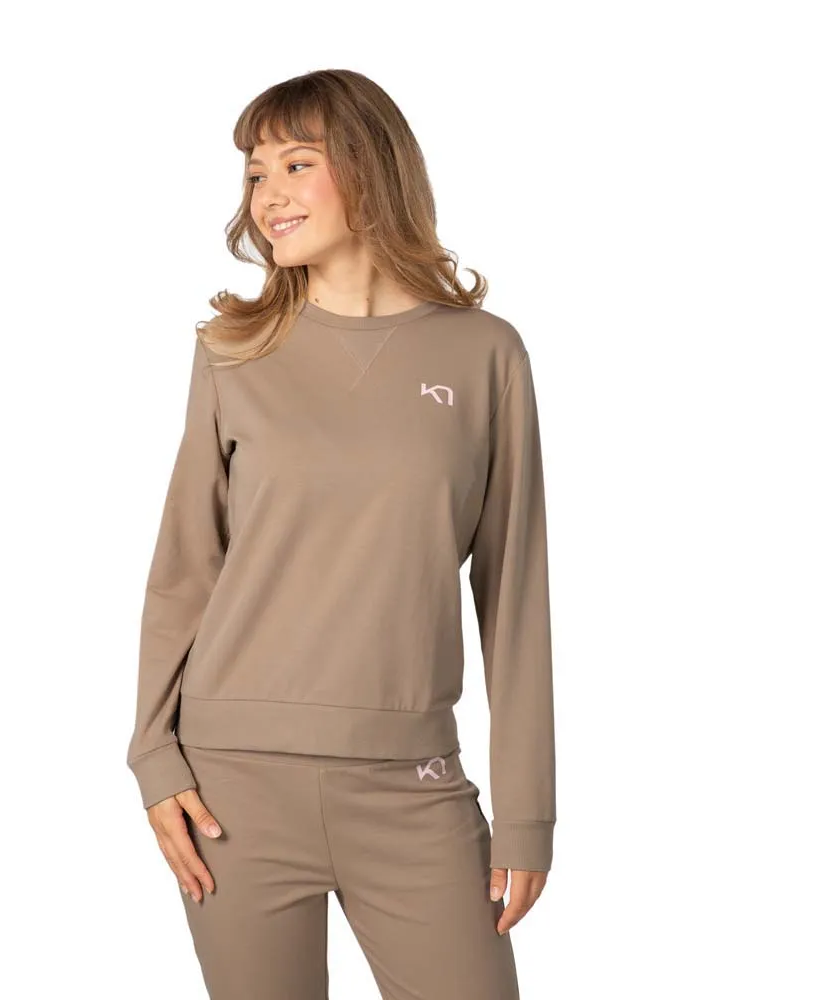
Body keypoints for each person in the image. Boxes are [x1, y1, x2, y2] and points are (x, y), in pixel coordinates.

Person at [126, 68, 556, 1000]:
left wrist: (528, 813)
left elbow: (515, 597)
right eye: (254, 173)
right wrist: (153, 757)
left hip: (413, 785)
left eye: (296, 164)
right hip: (232, 788)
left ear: (370, 167)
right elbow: (186, 571)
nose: (268, 195)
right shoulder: (232, 353)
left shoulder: (485, 354)